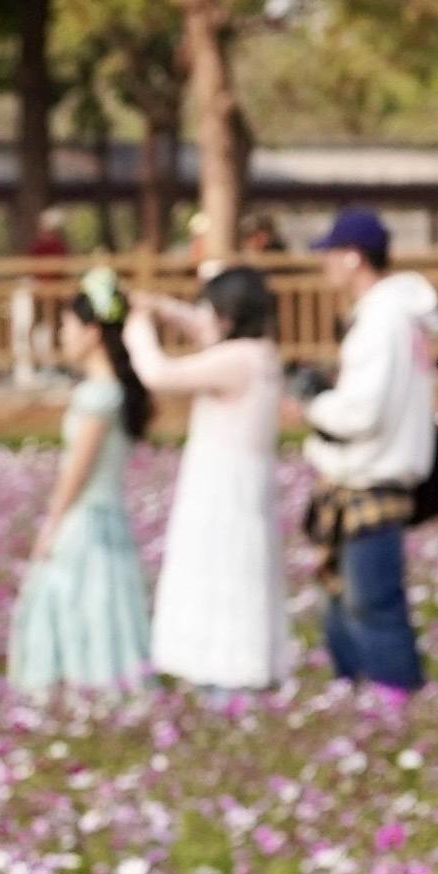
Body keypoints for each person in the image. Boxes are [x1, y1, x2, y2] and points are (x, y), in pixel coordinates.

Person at [296, 206, 438, 706]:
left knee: (371, 604)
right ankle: (362, 699)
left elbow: (363, 411)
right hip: (373, 472)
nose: (325, 266)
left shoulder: (382, 319)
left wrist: (311, 404)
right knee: (342, 600)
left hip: (372, 476)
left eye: (331, 255)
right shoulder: (397, 317)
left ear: (354, 258)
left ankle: (394, 703)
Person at [133, 264, 292, 691]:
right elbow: (201, 326)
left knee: (221, 577)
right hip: (234, 486)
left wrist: (137, 329)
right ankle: (224, 678)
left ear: (225, 317)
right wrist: (160, 309)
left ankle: (225, 680)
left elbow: (160, 374)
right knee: (226, 577)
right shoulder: (260, 353)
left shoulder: (237, 359)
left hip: (223, 491)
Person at [4, 274, 159, 694]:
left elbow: (76, 473)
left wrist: (50, 525)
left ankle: (80, 684)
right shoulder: (116, 392)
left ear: (92, 333)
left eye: (68, 327)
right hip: (109, 515)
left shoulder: (98, 397)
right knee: (107, 605)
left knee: (76, 602)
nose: (62, 335)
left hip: (85, 517)